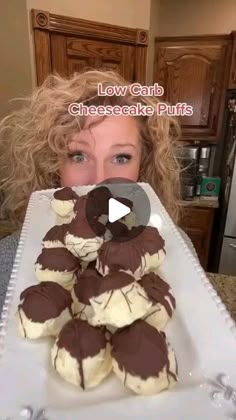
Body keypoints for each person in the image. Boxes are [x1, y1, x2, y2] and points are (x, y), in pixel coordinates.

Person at [0, 69, 196, 313]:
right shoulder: (11, 259)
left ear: (143, 166)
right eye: (78, 156)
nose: (99, 181)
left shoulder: (176, 249)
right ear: (53, 162)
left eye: (121, 157)